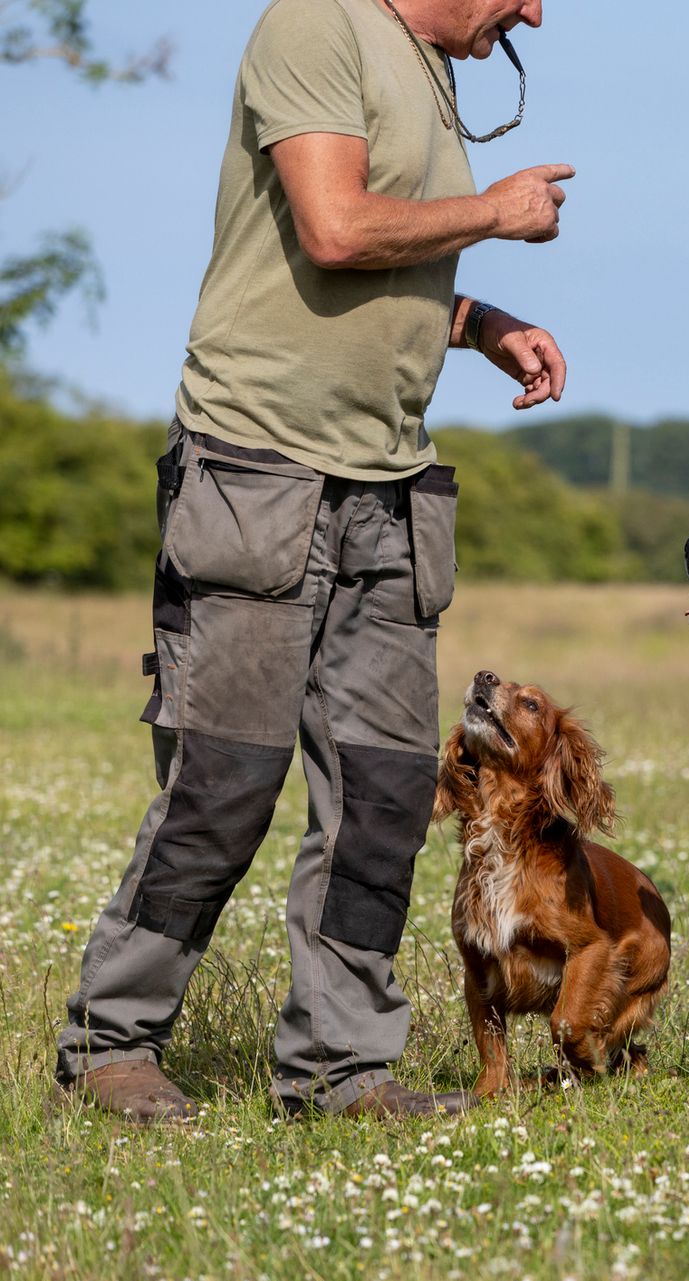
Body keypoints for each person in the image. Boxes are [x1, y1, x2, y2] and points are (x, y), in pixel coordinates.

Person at [56, 0, 575, 1121]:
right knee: (224, 784)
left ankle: (343, 1071)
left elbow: (385, 255)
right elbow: (335, 228)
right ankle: (109, 1052)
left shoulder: (432, 64)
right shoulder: (313, 23)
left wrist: (479, 323)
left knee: (386, 796)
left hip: (391, 489)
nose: (534, 13)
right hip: (258, 472)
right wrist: (494, 211)